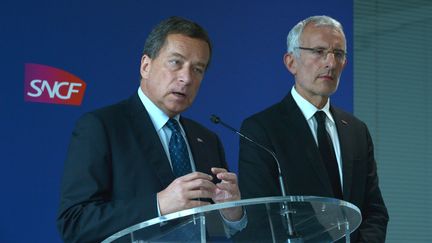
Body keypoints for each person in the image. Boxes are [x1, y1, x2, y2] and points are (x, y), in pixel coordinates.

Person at [57, 16, 245, 243]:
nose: (186, 78)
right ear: (146, 66)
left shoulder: (207, 139)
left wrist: (232, 214)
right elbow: (75, 222)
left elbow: (214, 229)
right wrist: (159, 205)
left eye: (197, 69)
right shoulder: (102, 127)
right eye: (176, 62)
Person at [238, 15, 388, 242]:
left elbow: (374, 211)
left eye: (338, 54)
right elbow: (262, 219)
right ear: (291, 62)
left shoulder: (356, 130)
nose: (331, 63)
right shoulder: (261, 129)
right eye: (319, 52)